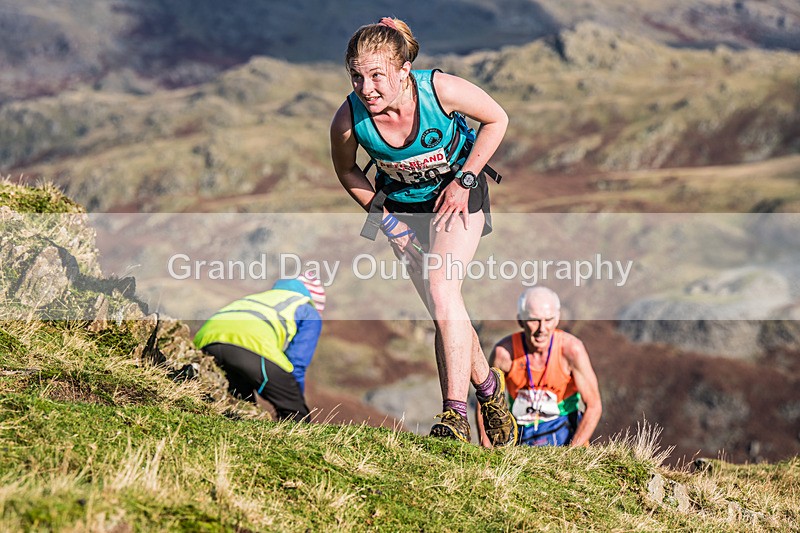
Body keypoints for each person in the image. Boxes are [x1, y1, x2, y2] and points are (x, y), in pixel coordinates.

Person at [330, 17, 516, 446]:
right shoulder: (348, 118)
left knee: (441, 285)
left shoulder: (439, 90)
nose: (367, 87)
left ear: (403, 71)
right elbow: (346, 170)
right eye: (357, 76)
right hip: (403, 213)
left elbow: (497, 119)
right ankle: (489, 391)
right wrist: (388, 223)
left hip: (458, 199)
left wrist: (465, 179)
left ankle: (453, 416)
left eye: (377, 75)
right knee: (443, 306)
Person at [478, 287, 602, 447]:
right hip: (519, 434)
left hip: (564, 432)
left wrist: (572, 453)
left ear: (557, 319)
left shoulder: (572, 350)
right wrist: (488, 450)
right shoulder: (504, 354)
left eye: (548, 320)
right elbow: (486, 403)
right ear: (520, 321)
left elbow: (594, 405)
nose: (542, 328)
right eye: (534, 320)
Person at [193, 273, 326, 421]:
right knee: (296, 416)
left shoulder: (262, 297)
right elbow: (297, 363)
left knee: (240, 407)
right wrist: (293, 396)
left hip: (205, 340)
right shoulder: (308, 310)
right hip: (249, 345)